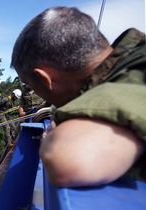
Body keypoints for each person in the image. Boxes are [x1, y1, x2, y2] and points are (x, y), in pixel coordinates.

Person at [11, 7, 145, 187]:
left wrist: (50, 137)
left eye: (31, 85)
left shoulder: (129, 81)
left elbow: (66, 160)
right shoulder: (132, 57)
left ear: (45, 79)